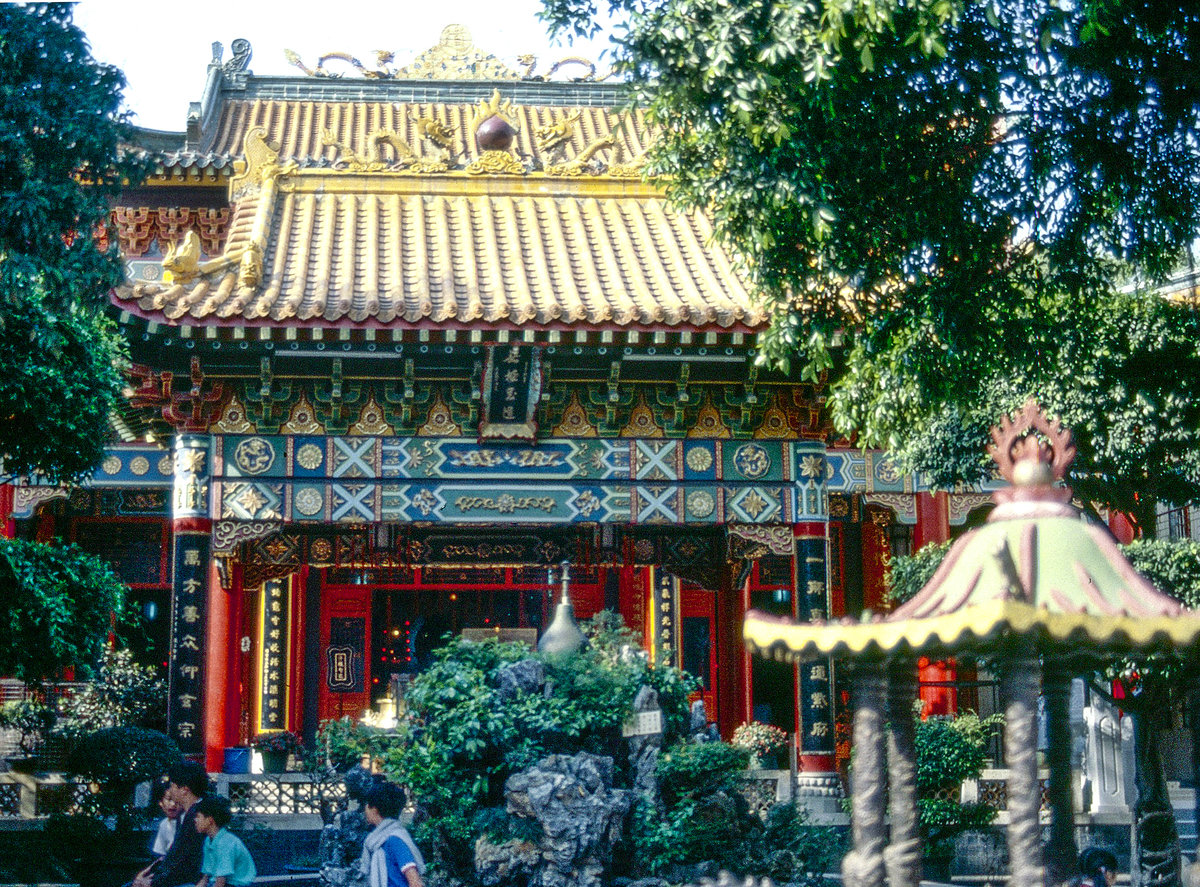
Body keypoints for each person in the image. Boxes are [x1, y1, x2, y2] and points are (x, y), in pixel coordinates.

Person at [135, 761, 207, 887]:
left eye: (172, 785)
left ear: (184, 790)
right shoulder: (188, 814)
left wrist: (152, 883)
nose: (170, 790)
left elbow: (182, 861)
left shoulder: (197, 817)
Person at [360, 782, 425, 887]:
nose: (365, 809)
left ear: (374, 809)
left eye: (367, 805)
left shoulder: (394, 840)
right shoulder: (378, 840)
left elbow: (415, 882)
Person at [194, 795, 256, 887]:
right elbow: (205, 878)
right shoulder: (209, 840)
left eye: (198, 817)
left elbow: (220, 882)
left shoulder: (226, 843)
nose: (195, 820)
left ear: (210, 820)